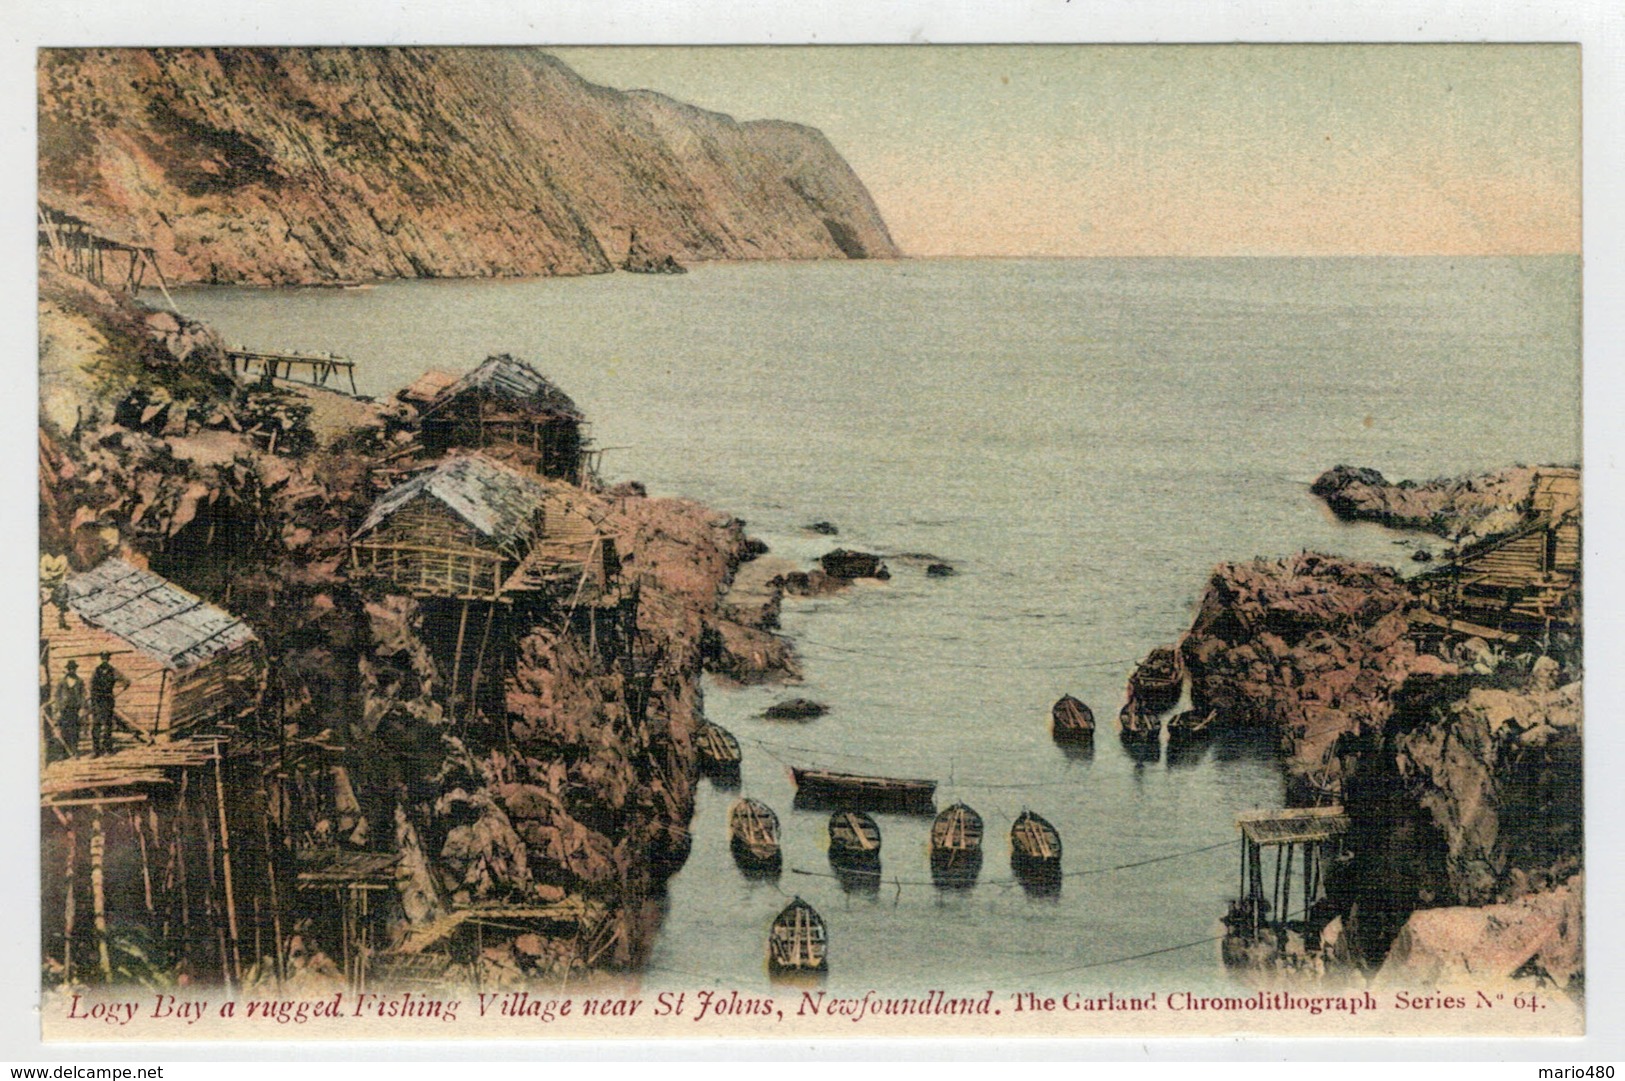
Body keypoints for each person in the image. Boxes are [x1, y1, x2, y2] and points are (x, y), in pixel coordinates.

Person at [89, 652, 127, 757]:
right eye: (103, 658)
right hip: (96, 701)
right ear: (101, 659)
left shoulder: (113, 671)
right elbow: (91, 685)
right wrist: (92, 698)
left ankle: (108, 750)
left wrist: (121, 688)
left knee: (107, 725)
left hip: (107, 700)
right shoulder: (96, 671)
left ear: (108, 659)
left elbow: (126, 681)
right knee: (96, 725)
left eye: (106, 658)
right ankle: (96, 750)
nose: (104, 660)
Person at [52, 659, 86, 759]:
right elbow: (57, 696)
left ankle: (75, 751)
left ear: (76, 669)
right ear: (67, 669)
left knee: (75, 730)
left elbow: (83, 695)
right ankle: (63, 753)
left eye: (73, 669)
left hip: (75, 709)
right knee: (64, 730)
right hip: (64, 709)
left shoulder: (79, 681)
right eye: (70, 669)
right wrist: (57, 709)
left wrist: (82, 708)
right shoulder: (62, 681)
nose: (72, 670)